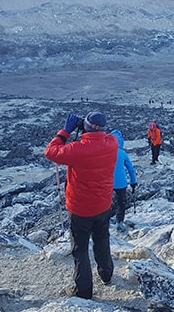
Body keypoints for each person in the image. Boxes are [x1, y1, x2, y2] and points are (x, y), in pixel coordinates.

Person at [44, 112, 118, 299]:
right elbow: (101, 135)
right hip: (103, 204)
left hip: (80, 208)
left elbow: (50, 151)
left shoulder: (77, 149)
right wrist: (87, 128)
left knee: (80, 249)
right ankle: (106, 274)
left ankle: (84, 291)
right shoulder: (112, 143)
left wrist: (66, 131)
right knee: (102, 240)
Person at [110, 130, 137, 232]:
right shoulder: (122, 153)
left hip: (108, 182)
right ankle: (119, 222)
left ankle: (104, 221)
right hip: (121, 183)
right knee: (121, 202)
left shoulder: (105, 152)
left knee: (107, 202)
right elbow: (130, 169)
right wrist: (133, 182)